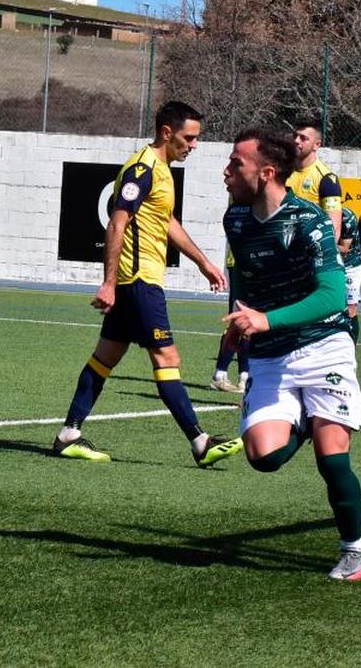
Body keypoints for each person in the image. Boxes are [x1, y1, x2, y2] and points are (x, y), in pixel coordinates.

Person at [53, 100, 243, 467]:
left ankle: (68, 435)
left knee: (105, 357)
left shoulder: (162, 169)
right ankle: (200, 442)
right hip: (138, 281)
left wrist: (203, 262)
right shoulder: (142, 169)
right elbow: (116, 222)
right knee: (167, 357)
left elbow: (167, 221)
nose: (194, 145)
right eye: (188, 138)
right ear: (167, 132)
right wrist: (108, 282)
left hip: (137, 280)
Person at [221, 127, 361, 581]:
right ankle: (301, 421)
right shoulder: (237, 220)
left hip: (324, 345)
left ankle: (353, 552)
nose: (226, 171)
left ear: (266, 173)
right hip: (271, 354)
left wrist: (267, 319)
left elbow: (331, 296)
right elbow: (246, 278)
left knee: (332, 457)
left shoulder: (310, 221)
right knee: (264, 457)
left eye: (235, 163)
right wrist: (241, 323)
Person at [287, 120, 343, 242]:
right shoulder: (281, 171)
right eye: (295, 136)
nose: (296, 141)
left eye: (303, 138)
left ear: (316, 145)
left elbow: (334, 229)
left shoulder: (327, 179)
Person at [209, 234, 249, 393]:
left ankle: (244, 377)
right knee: (241, 319)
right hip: (245, 260)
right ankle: (221, 374)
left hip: (257, 259)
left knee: (248, 321)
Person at [338, 205, 361, 343]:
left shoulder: (347, 217)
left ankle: (352, 346)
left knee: (350, 308)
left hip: (350, 267)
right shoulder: (315, 214)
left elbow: (344, 249)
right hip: (330, 265)